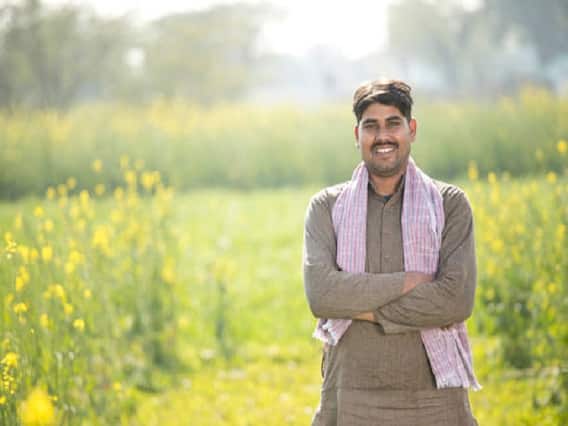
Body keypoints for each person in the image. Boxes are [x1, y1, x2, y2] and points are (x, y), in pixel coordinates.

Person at [303, 79, 480, 426]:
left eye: (393, 123)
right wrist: (409, 282)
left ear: (411, 129)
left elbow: (455, 301)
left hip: (435, 402)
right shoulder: (327, 207)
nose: (382, 136)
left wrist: (362, 310)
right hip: (350, 398)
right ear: (357, 135)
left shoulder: (449, 204)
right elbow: (322, 296)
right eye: (371, 126)